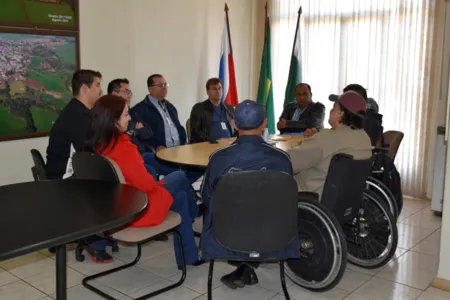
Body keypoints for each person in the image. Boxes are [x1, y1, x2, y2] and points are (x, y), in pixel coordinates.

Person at [84, 94, 204, 268]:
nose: (130, 117)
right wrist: (156, 181)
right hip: (138, 209)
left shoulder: (96, 145)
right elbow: (146, 185)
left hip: (111, 210)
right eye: (126, 115)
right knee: (179, 177)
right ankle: (195, 215)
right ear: (113, 121)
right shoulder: (123, 148)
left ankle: (189, 256)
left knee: (180, 197)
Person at [200, 100, 299, 290]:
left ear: (234, 124)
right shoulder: (282, 159)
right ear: (264, 123)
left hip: (227, 236)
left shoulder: (219, 158)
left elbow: (206, 197)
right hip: (274, 234)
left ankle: (243, 266)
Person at [45, 69, 112, 263]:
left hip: (68, 171)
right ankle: (95, 241)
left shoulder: (80, 111)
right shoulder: (77, 115)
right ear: (85, 88)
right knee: (109, 182)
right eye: (97, 85)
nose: (100, 90)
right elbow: (91, 152)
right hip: (65, 179)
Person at [287, 91, 373, 198]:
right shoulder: (364, 138)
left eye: (334, 108)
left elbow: (289, 161)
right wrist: (313, 141)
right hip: (343, 201)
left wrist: (307, 143)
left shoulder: (326, 138)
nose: (330, 111)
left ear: (341, 113)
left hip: (308, 197)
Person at [132, 74, 202, 184]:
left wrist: (185, 144)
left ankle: (175, 183)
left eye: (165, 84)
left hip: (179, 151)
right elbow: (143, 136)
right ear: (150, 89)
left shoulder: (170, 107)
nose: (164, 87)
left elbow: (179, 128)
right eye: (161, 85)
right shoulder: (140, 110)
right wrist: (156, 146)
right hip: (161, 152)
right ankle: (175, 182)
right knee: (183, 175)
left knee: (202, 167)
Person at [107, 78, 157, 179]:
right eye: (126, 92)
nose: (129, 96)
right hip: (131, 157)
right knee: (178, 177)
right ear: (114, 94)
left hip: (142, 153)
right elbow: (128, 141)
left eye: (130, 93)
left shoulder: (133, 112)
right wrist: (136, 131)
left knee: (166, 163)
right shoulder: (109, 117)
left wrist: (134, 132)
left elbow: (149, 133)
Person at [189, 78, 235, 143]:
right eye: (214, 89)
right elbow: (196, 132)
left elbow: (236, 129)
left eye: (219, 88)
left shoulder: (229, 108)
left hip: (229, 145)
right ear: (207, 92)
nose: (218, 91)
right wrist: (214, 141)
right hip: (209, 145)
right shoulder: (199, 108)